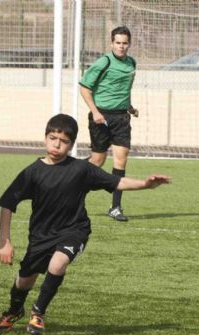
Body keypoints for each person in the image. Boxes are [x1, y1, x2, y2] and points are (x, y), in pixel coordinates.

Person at [0, 114, 171, 335]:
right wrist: (5, 242)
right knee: (23, 281)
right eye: (52, 138)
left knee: (57, 265)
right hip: (41, 235)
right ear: (45, 138)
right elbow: (7, 204)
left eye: (64, 141)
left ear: (72, 144)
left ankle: (38, 312)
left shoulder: (81, 169)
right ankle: (14, 310)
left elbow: (117, 181)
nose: (57, 144)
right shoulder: (33, 171)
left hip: (73, 230)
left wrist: (146, 184)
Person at [79, 25, 138, 222]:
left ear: (129, 44)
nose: (121, 47)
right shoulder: (103, 62)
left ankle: (115, 207)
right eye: (118, 43)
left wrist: (129, 106)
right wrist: (95, 112)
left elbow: (123, 88)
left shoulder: (131, 64)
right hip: (101, 117)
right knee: (98, 161)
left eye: (125, 43)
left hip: (121, 118)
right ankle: (71, 181)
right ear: (112, 43)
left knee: (121, 159)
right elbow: (85, 88)